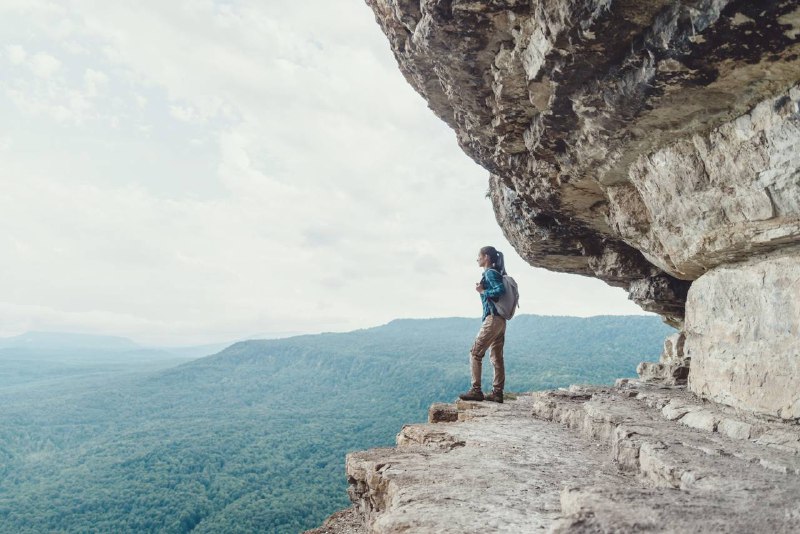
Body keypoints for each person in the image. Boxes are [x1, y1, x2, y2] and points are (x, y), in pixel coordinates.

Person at [459, 246, 507, 403]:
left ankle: (476, 390)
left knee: (475, 353)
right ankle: (497, 392)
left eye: (478, 256)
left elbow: (500, 290)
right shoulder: (495, 272)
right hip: (500, 320)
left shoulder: (490, 273)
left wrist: (482, 291)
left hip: (492, 319)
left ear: (486, 257)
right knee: (496, 356)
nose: (477, 259)